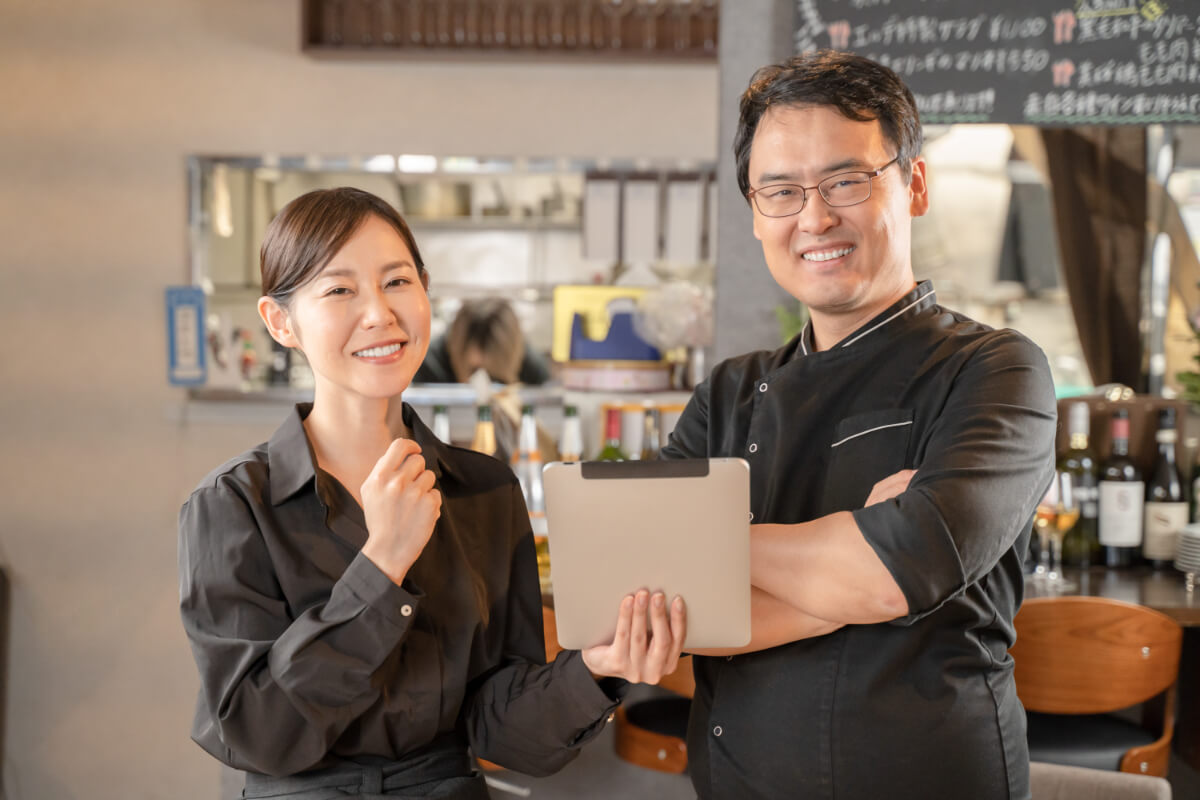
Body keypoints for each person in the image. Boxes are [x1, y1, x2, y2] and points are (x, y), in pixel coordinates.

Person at [178, 187, 686, 798]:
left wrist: (597, 671)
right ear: (280, 321)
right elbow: (259, 733)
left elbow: (502, 732)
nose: (379, 314)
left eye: (396, 282)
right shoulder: (233, 507)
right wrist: (381, 564)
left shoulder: (485, 491)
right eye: (340, 290)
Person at [661, 51, 1056, 799]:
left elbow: (898, 568)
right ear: (753, 209)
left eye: (845, 180)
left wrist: (710, 546)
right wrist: (838, 578)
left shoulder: (996, 370)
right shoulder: (729, 392)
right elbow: (663, 599)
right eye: (781, 190)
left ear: (912, 184)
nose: (814, 217)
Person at [413, 297, 551, 385]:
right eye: (474, 371)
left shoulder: (531, 367)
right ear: (455, 348)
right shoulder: (429, 364)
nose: (483, 381)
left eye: (494, 377)